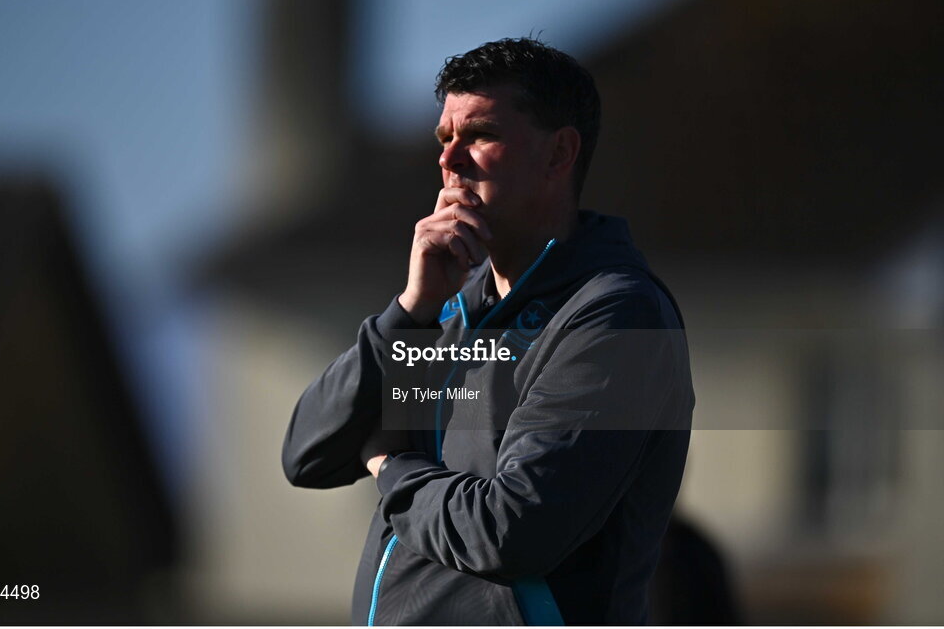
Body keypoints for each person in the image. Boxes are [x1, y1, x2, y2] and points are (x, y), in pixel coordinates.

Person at [282, 37, 694, 625]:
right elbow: (309, 453)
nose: (450, 162)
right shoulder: (448, 313)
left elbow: (510, 531)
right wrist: (411, 308)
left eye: (479, 136)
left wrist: (391, 468)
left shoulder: (619, 317)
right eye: (444, 140)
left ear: (559, 154)